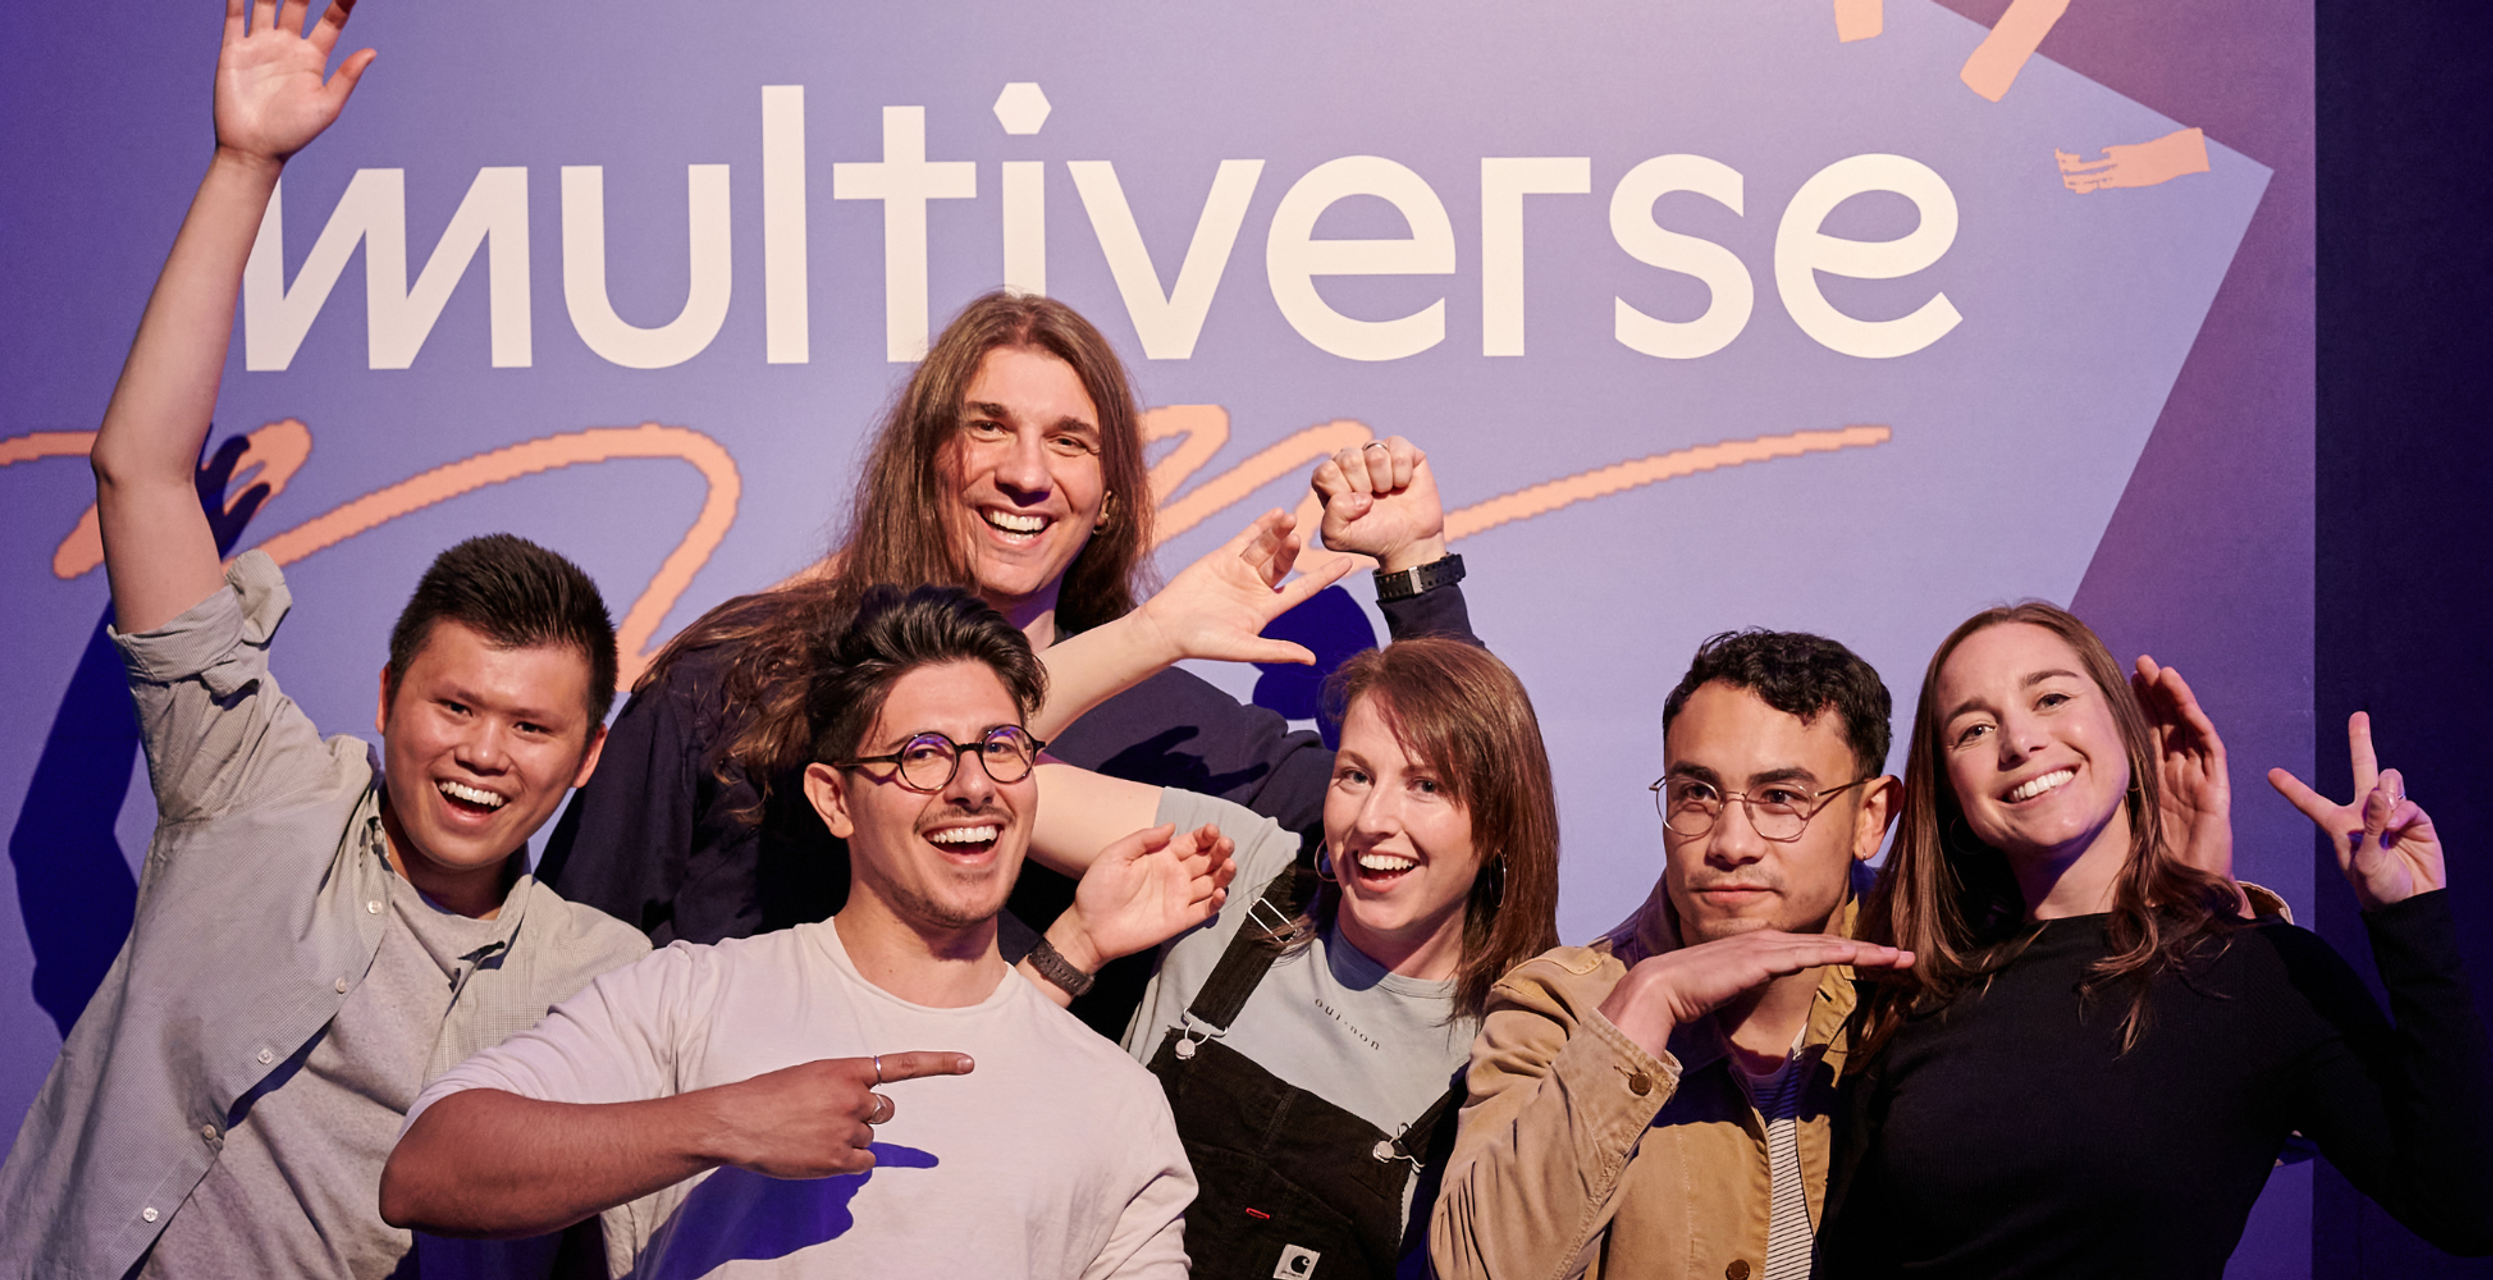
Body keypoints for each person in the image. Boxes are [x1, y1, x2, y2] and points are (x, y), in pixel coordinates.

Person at [0, 5, 649, 1277]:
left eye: (532, 724)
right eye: (455, 705)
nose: (483, 752)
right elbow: (139, 477)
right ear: (388, 695)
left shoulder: (598, 976)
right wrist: (246, 166)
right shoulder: (257, 785)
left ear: (586, 758)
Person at [538, 290, 1476, 964]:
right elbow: (567, 958)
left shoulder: (1184, 728)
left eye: (1069, 441)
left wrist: (1416, 565)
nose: (1027, 475)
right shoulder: (735, 674)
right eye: (989, 427)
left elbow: (1470, 816)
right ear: (926, 458)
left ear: (1109, 496)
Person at [381, 586, 1207, 1279]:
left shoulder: (1116, 1102)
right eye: (922, 754)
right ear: (834, 798)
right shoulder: (689, 995)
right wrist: (718, 1124)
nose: (971, 787)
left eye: (1001, 748)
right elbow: (426, 1170)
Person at [1822, 601, 2493, 1275]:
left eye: (2051, 697)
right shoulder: (1914, 991)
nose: (2019, 741)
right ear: (1949, 789)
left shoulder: (2258, 974)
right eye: (1972, 728)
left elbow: (2465, 1209)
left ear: (2125, 724)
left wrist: (2411, 918)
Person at [1011, 637, 1560, 1279]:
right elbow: (976, 768)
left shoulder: (1511, 1046)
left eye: (1427, 785)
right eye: (1355, 775)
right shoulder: (1236, 868)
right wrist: (1162, 629)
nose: (1374, 820)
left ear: (1499, 824)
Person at [1429, 630, 1917, 1280]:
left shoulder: (1933, 981)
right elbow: (1476, 1273)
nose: (1731, 842)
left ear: (1871, 817)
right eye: (1697, 794)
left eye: (1780, 798)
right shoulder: (1559, 1002)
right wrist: (1643, 1011)